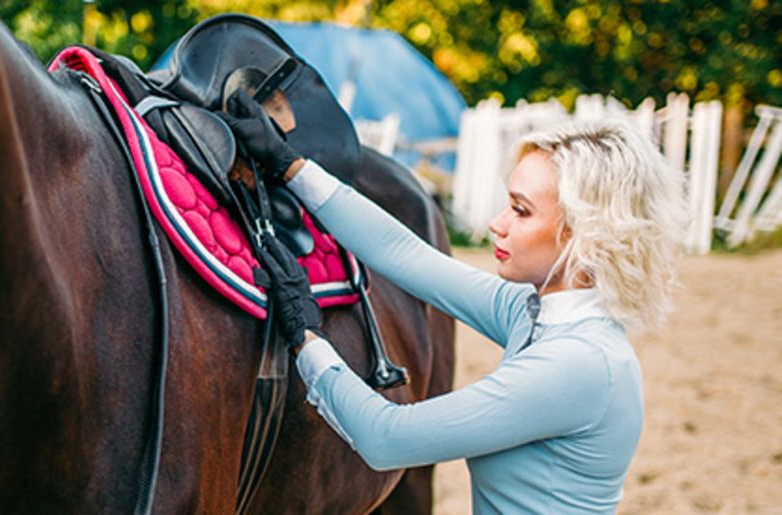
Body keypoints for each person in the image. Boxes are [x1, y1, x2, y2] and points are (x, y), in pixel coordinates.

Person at [220, 89, 688, 514]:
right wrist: (291, 167)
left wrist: (306, 336)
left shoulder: (579, 364)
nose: (496, 224)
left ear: (584, 235)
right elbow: (406, 256)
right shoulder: (537, 314)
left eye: (521, 211)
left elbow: (386, 438)